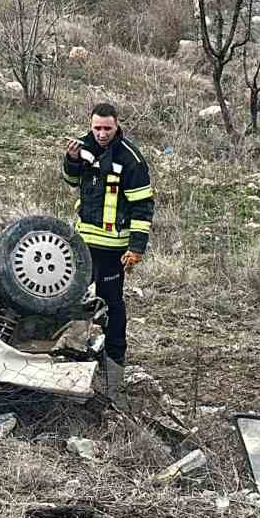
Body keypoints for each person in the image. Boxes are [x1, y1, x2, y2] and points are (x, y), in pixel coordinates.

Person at [61, 101, 154, 402]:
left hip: (113, 248)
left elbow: (142, 206)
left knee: (112, 305)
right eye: (97, 128)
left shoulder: (131, 159)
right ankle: (69, 356)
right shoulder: (84, 146)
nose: (101, 134)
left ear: (117, 126)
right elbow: (72, 181)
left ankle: (114, 371)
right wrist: (72, 159)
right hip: (83, 243)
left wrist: (136, 247)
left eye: (107, 128)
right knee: (72, 298)